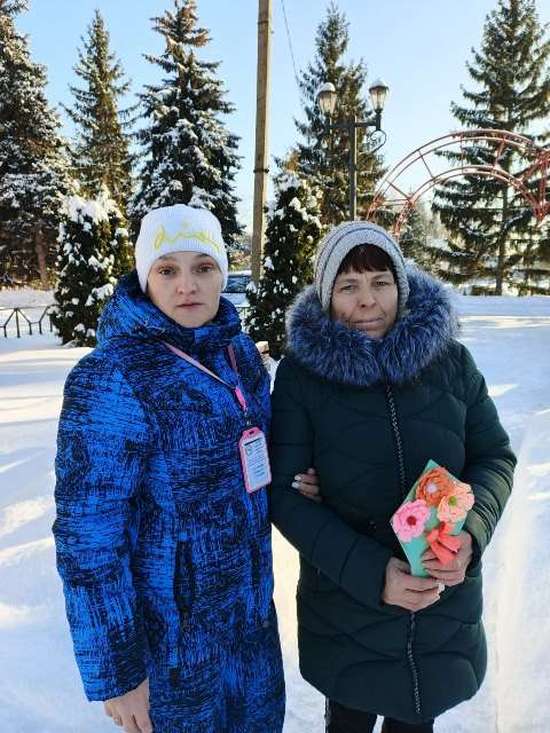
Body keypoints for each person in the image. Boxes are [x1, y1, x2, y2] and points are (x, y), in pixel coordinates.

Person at [52, 203, 318, 733]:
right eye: (167, 269)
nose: (187, 285)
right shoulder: (111, 376)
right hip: (172, 652)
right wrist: (119, 673)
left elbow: (258, 456)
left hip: (251, 630)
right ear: (145, 278)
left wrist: (305, 477)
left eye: (203, 267)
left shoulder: (241, 356)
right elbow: (87, 540)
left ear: (222, 272)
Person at [269, 220, 516, 733]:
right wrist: (373, 574)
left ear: (400, 286)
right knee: (349, 720)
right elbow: (286, 496)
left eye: (380, 282)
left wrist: (470, 536)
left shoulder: (451, 364)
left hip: (440, 610)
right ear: (326, 295)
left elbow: (493, 457)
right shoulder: (301, 378)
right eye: (348, 286)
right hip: (347, 612)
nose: (367, 301)